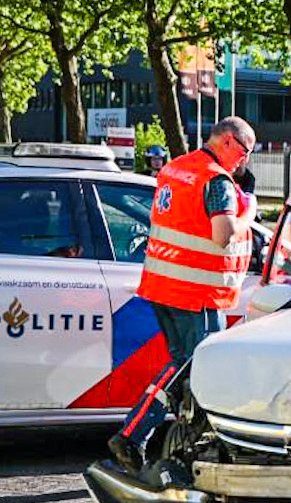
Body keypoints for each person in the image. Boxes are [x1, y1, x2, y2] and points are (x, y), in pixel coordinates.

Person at [107, 116, 258, 471]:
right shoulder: (215, 180)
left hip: (164, 285)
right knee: (199, 369)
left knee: (184, 368)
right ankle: (133, 435)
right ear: (227, 141)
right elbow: (223, 234)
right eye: (245, 151)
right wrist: (249, 209)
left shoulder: (176, 169)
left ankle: (179, 444)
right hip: (197, 292)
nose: (245, 160)